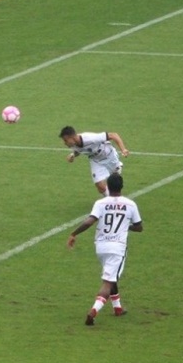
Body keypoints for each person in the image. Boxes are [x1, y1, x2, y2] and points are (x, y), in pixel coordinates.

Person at [67, 173, 143, 326]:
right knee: (108, 282)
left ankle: (118, 308)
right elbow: (139, 227)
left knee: (111, 275)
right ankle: (93, 311)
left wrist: (74, 233)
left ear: (107, 186)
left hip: (101, 247)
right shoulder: (130, 204)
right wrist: (124, 226)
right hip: (117, 248)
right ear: (122, 186)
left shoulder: (100, 203)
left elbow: (89, 221)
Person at [59, 126, 129, 196]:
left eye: (65, 140)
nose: (64, 143)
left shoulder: (90, 138)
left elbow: (113, 135)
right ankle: (111, 200)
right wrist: (73, 155)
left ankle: (117, 166)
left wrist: (123, 149)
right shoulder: (73, 144)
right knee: (100, 187)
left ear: (72, 137)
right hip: (96, 160)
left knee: (114, 180)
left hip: (109, 156)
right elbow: (79, 150)